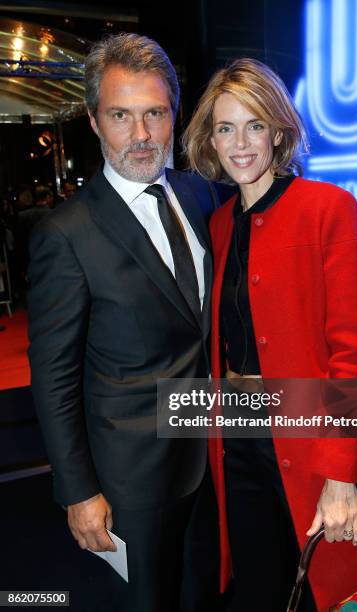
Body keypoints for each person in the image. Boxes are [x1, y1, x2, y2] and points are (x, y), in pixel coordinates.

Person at [183, 58, 357, 611]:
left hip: (313, 437)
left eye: (254, 125)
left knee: (331, 591)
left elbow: (352, 352)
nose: (240, 144)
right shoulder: (217, 222)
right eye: (225, 127)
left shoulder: (328, 210)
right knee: (262, 587)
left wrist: (339, 475)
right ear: (209, 138)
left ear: (279, 131)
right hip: (238, 434)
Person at [28, 33, 221, 612]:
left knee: (206, 595)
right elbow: (55, 378)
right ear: (93, 121)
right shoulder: (65, 234)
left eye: (154, 114)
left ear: (173, 115)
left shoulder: (200, 195)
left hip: (212, 455)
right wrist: (79, 490)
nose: (141, 135)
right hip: (130, 479)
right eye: (120, 115)